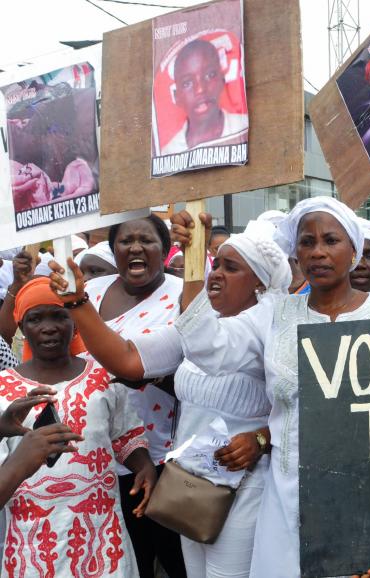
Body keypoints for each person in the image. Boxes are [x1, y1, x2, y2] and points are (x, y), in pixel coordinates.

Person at [83, 198, 370, 578]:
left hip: (368, 491)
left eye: (331, 240)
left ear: (354, 250)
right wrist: (195, 261)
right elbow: (208, 347)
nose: (318, 252)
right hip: (288, 494)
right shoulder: (276, 314)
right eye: (307, 242)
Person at [50, 228, 292, 578]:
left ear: (260, 283)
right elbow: (127, 359)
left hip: (244, 486)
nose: (217, 274)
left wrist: (260, 438)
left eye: (231, 267)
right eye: (216, 264)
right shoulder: (199, 325)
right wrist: (77, 302)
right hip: (191, 485)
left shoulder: (268, 328)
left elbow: (291, 405)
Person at [0, 277, 157, 578]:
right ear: (21, 326)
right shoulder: (4, 388)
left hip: (101, 533)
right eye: (35, 318)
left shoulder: (102, 374)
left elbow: (125, 434)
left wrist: (143, 465)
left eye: (59, 315)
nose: (49, 327)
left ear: (74, 320)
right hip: (32, 541)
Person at [86, 215, 186, 578]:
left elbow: (201, 369)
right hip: (98, 455)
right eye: (125, 241)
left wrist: (148, 377)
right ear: (114, 250)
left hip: (163, 456)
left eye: (147, 240)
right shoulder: (91, 293)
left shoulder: (182, 294)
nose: (135, 248)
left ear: (165, 250)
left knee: (174, 558)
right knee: (126, 561)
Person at [161, 39, 249, 155]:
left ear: (222, 81)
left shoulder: (243, 127)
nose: (200, 89)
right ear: (177, 97)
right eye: (187, 83)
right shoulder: (170, 152)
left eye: (209, 75)